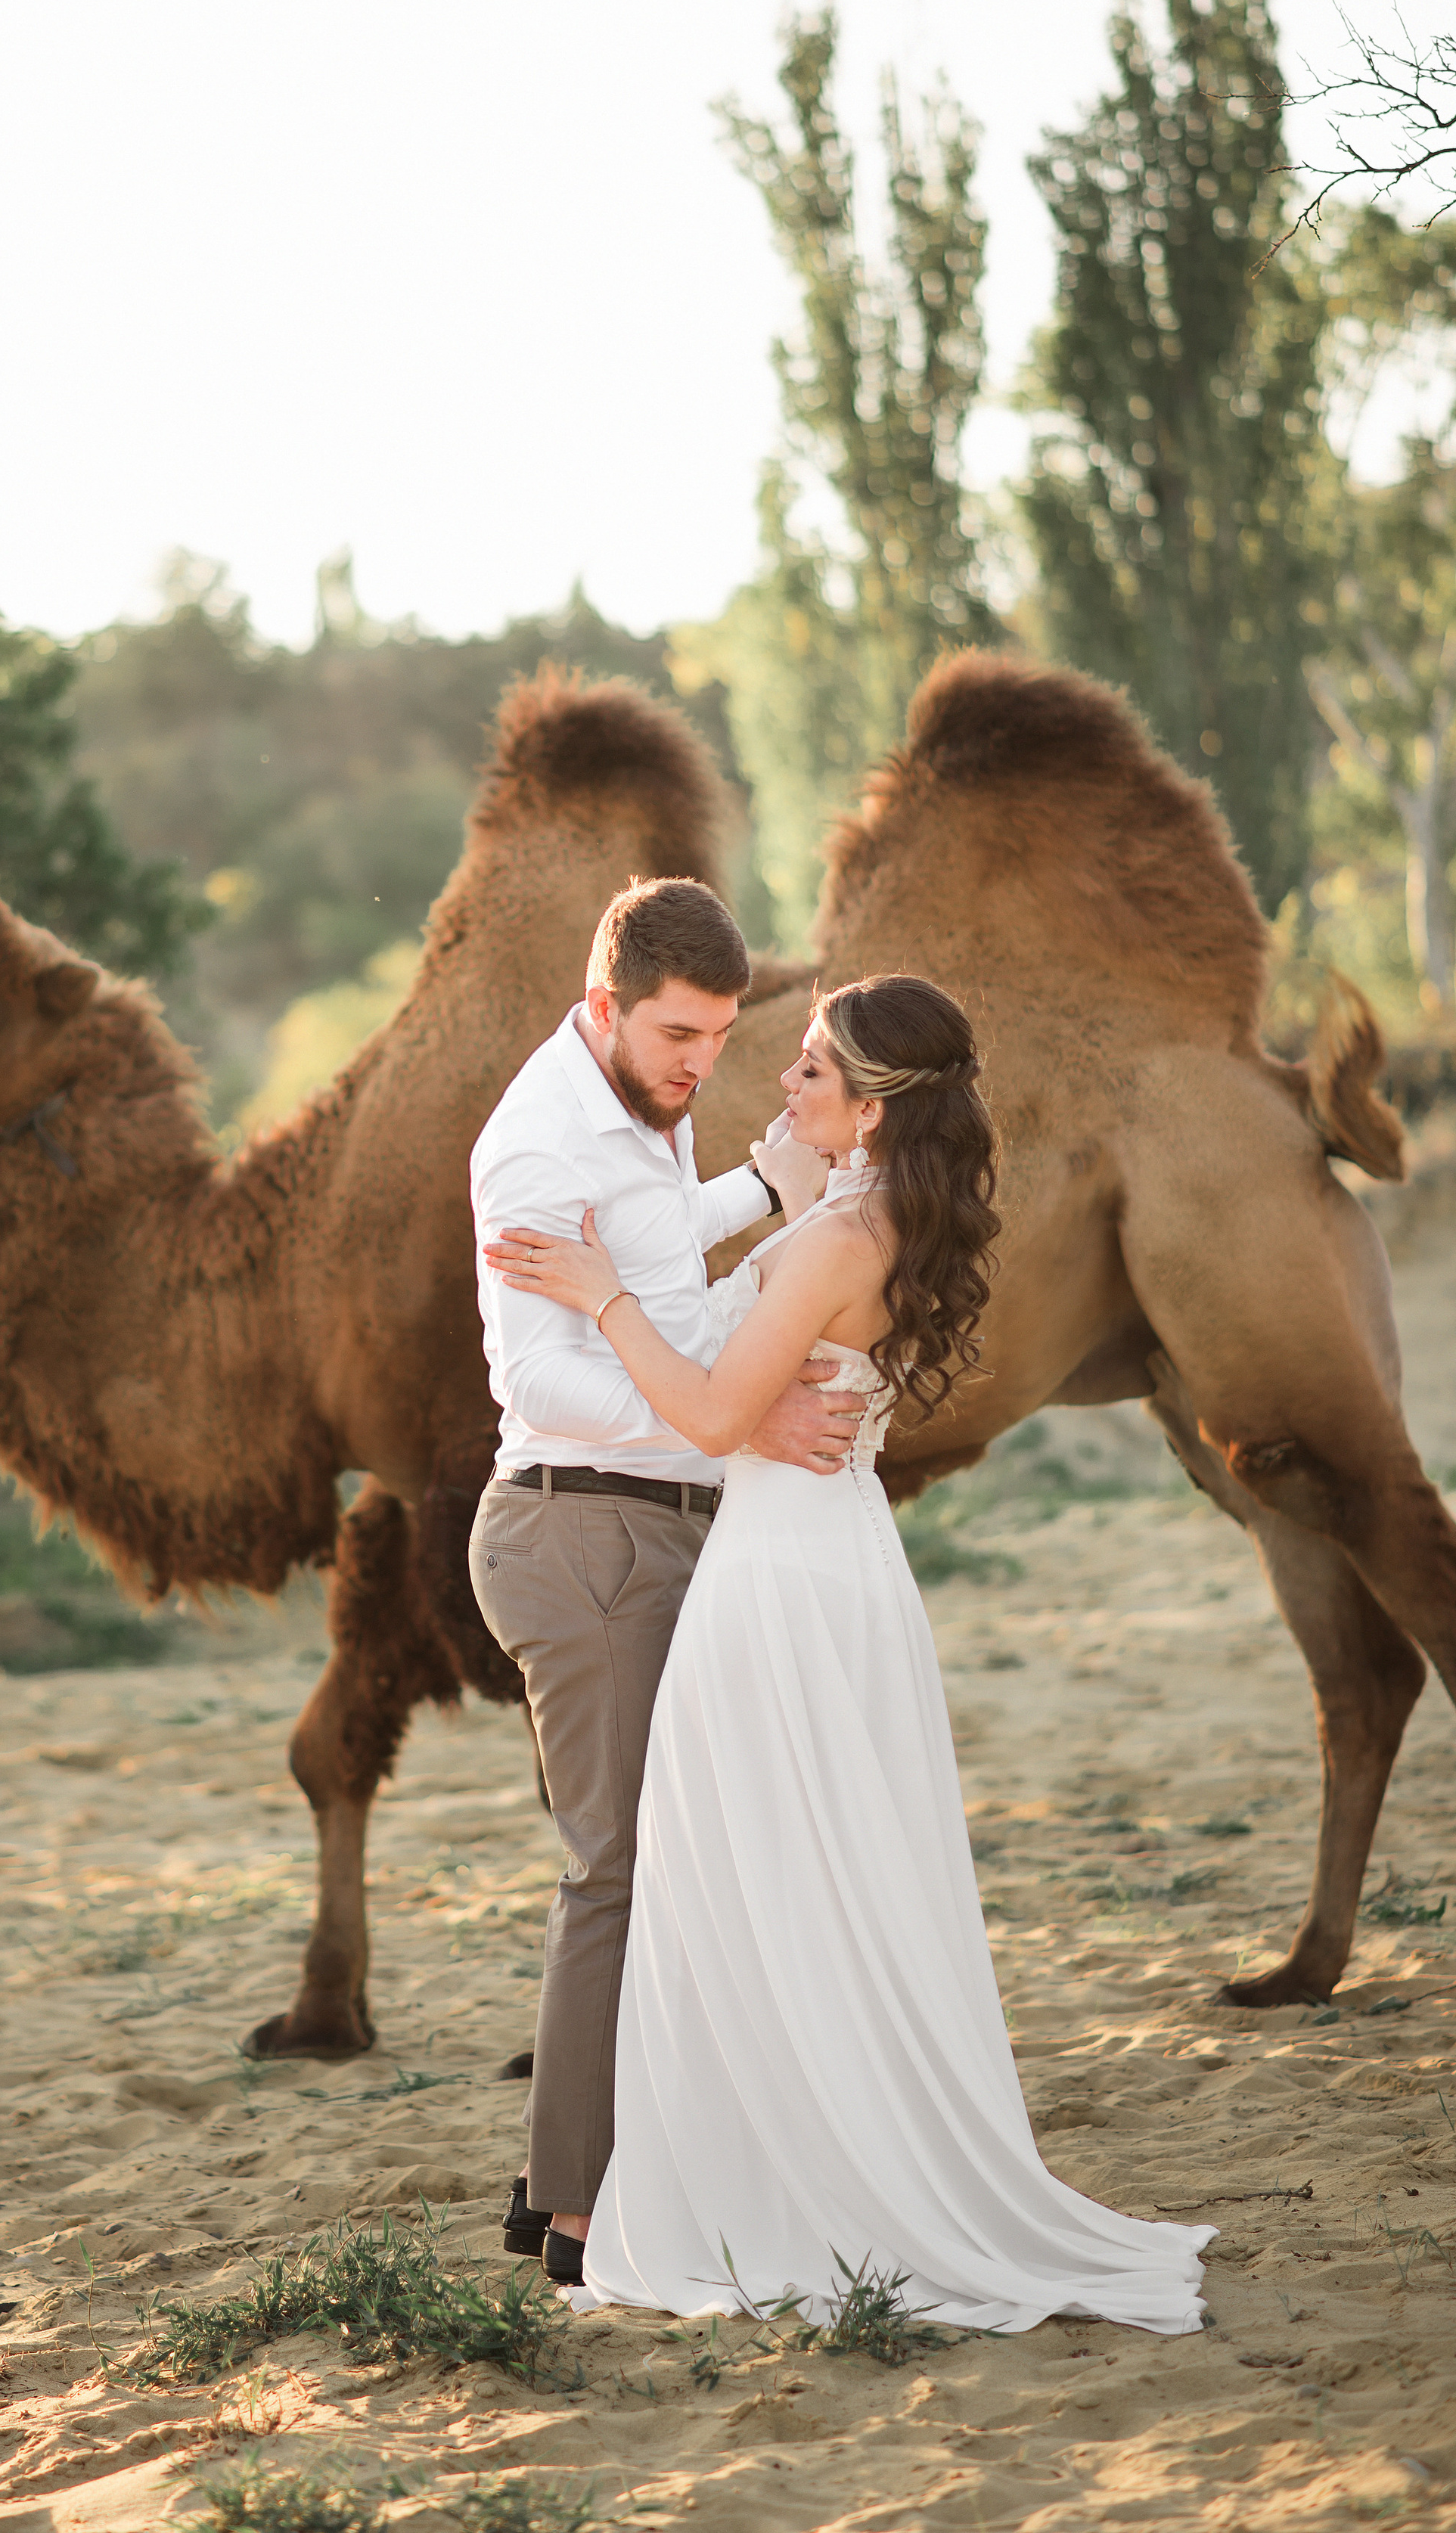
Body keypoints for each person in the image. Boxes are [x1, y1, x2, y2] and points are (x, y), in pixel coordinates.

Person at [486, 971, 1213, 2337]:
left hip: (778, 1575)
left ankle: (773, 2179)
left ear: (873, 1109)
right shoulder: (870, 1216)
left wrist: (597, 1291)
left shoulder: (840, 1236)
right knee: (807, 1874)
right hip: (834, 1555)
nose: (785, 1081)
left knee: (754, 1870)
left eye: (813, 1068)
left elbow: (709, 1412)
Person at [468, 878, 865, 2290]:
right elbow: (545, 1378)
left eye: (715, 1034)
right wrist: (729, 1412)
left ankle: (647, 2173)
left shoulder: (641, 1098)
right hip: (578, 1534)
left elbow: (640, 1254)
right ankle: (568, 2214)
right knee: (615, 1869)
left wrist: (757, 1189)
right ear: (604, 1007)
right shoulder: (531, 1146)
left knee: (679, 1859)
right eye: (678, 1033)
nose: (701, 1061)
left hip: (666, 1522)